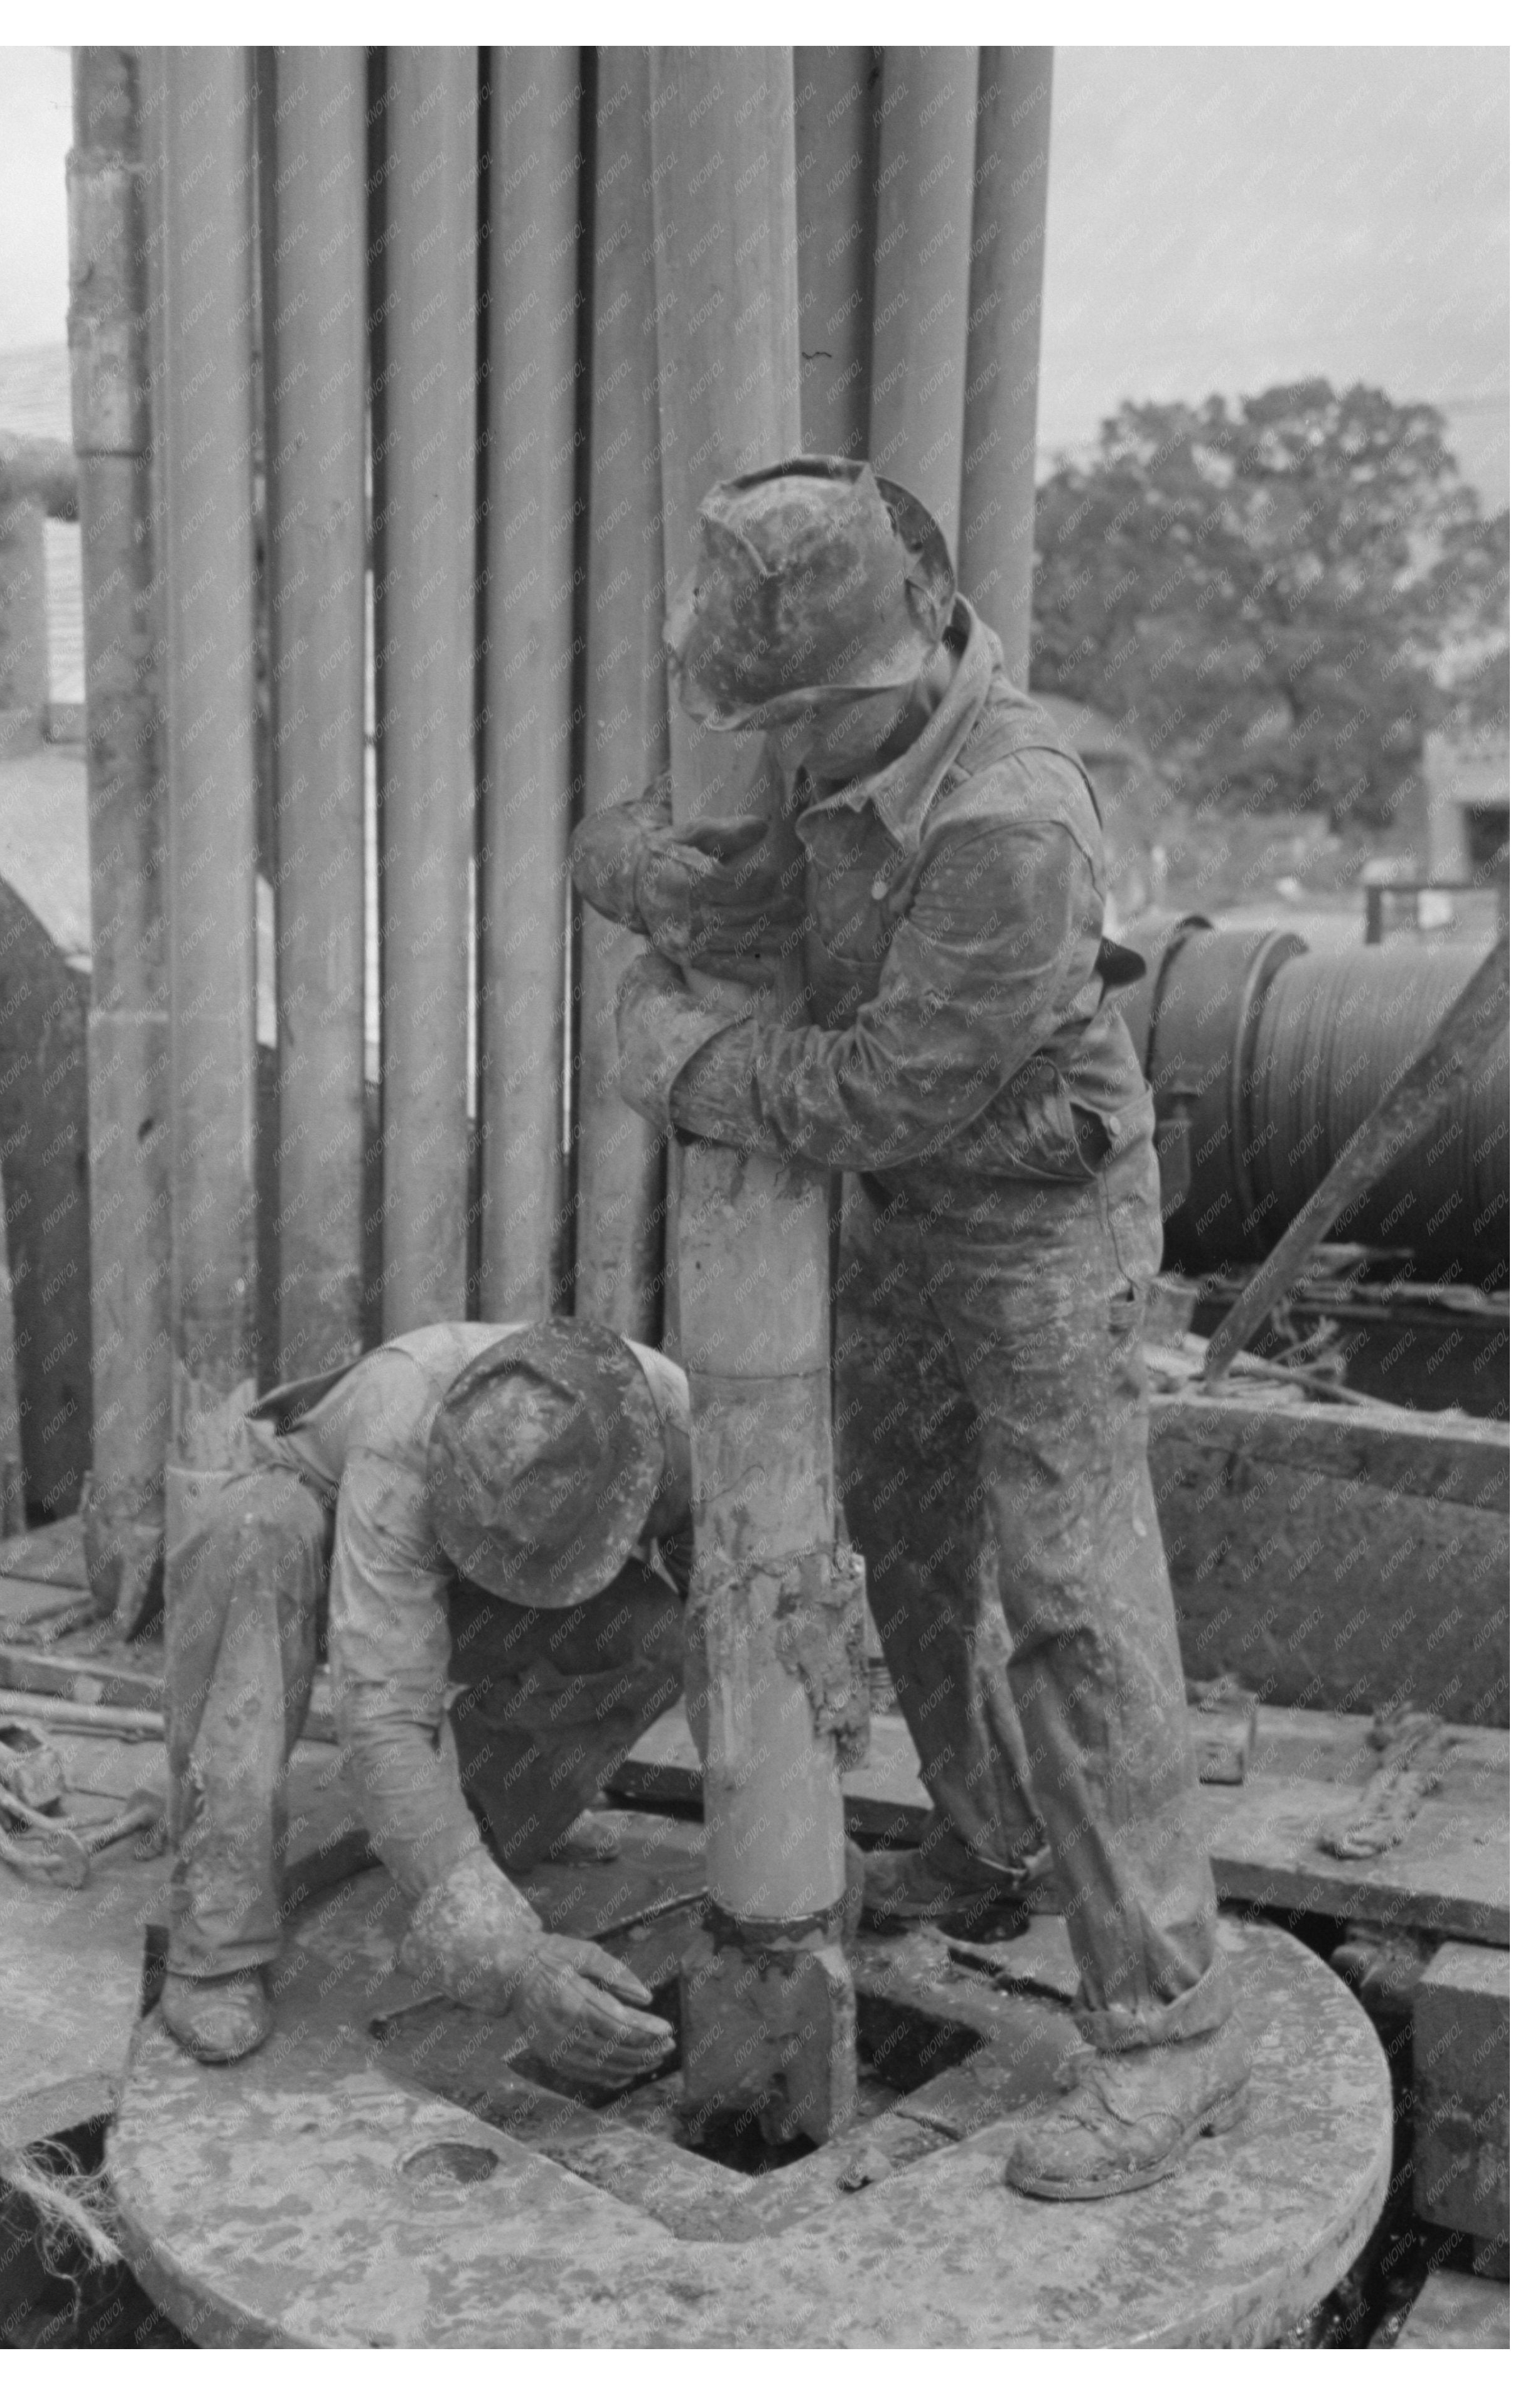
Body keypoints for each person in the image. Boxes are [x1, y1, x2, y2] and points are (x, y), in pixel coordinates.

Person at [571, 454, 1251, 2200]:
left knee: (1074, 1604)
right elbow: (772, 894)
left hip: (1038, 1230)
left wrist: (688, 1065)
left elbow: (879, 1087)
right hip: (910, 1228)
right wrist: (634, 867)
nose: (796, 750)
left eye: (819, 713)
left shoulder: (1010, 819)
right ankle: (991, 1838)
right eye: (774, 718)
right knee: (912, 1555)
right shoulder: (855, 743)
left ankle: (1168, 2021)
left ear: (932, 627)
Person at [161, 1316, 691, 2090]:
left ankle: (489, 1827)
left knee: (651, 1631)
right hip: (317, 1531)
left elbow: (739, 1620)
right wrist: (508, 1955)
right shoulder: (401, 1434)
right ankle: (217, 1944)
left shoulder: (677, 1427)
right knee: (258, 1536)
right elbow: (385, 1717)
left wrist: (789, 1837)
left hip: (476, 1565)